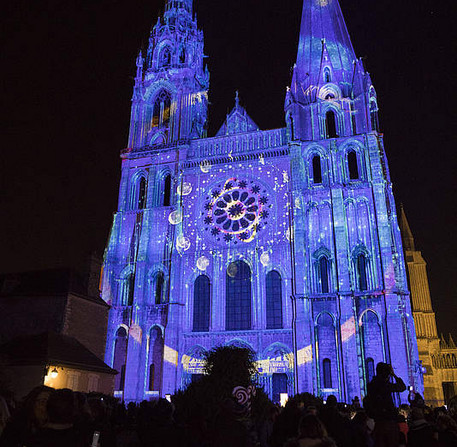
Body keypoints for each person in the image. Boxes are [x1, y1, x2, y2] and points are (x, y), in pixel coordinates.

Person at [364, 362, 406, 447]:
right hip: (388, 421)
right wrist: (393, 375)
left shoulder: (371, 385)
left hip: (378, 422)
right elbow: (402, 387)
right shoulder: (384, 385)